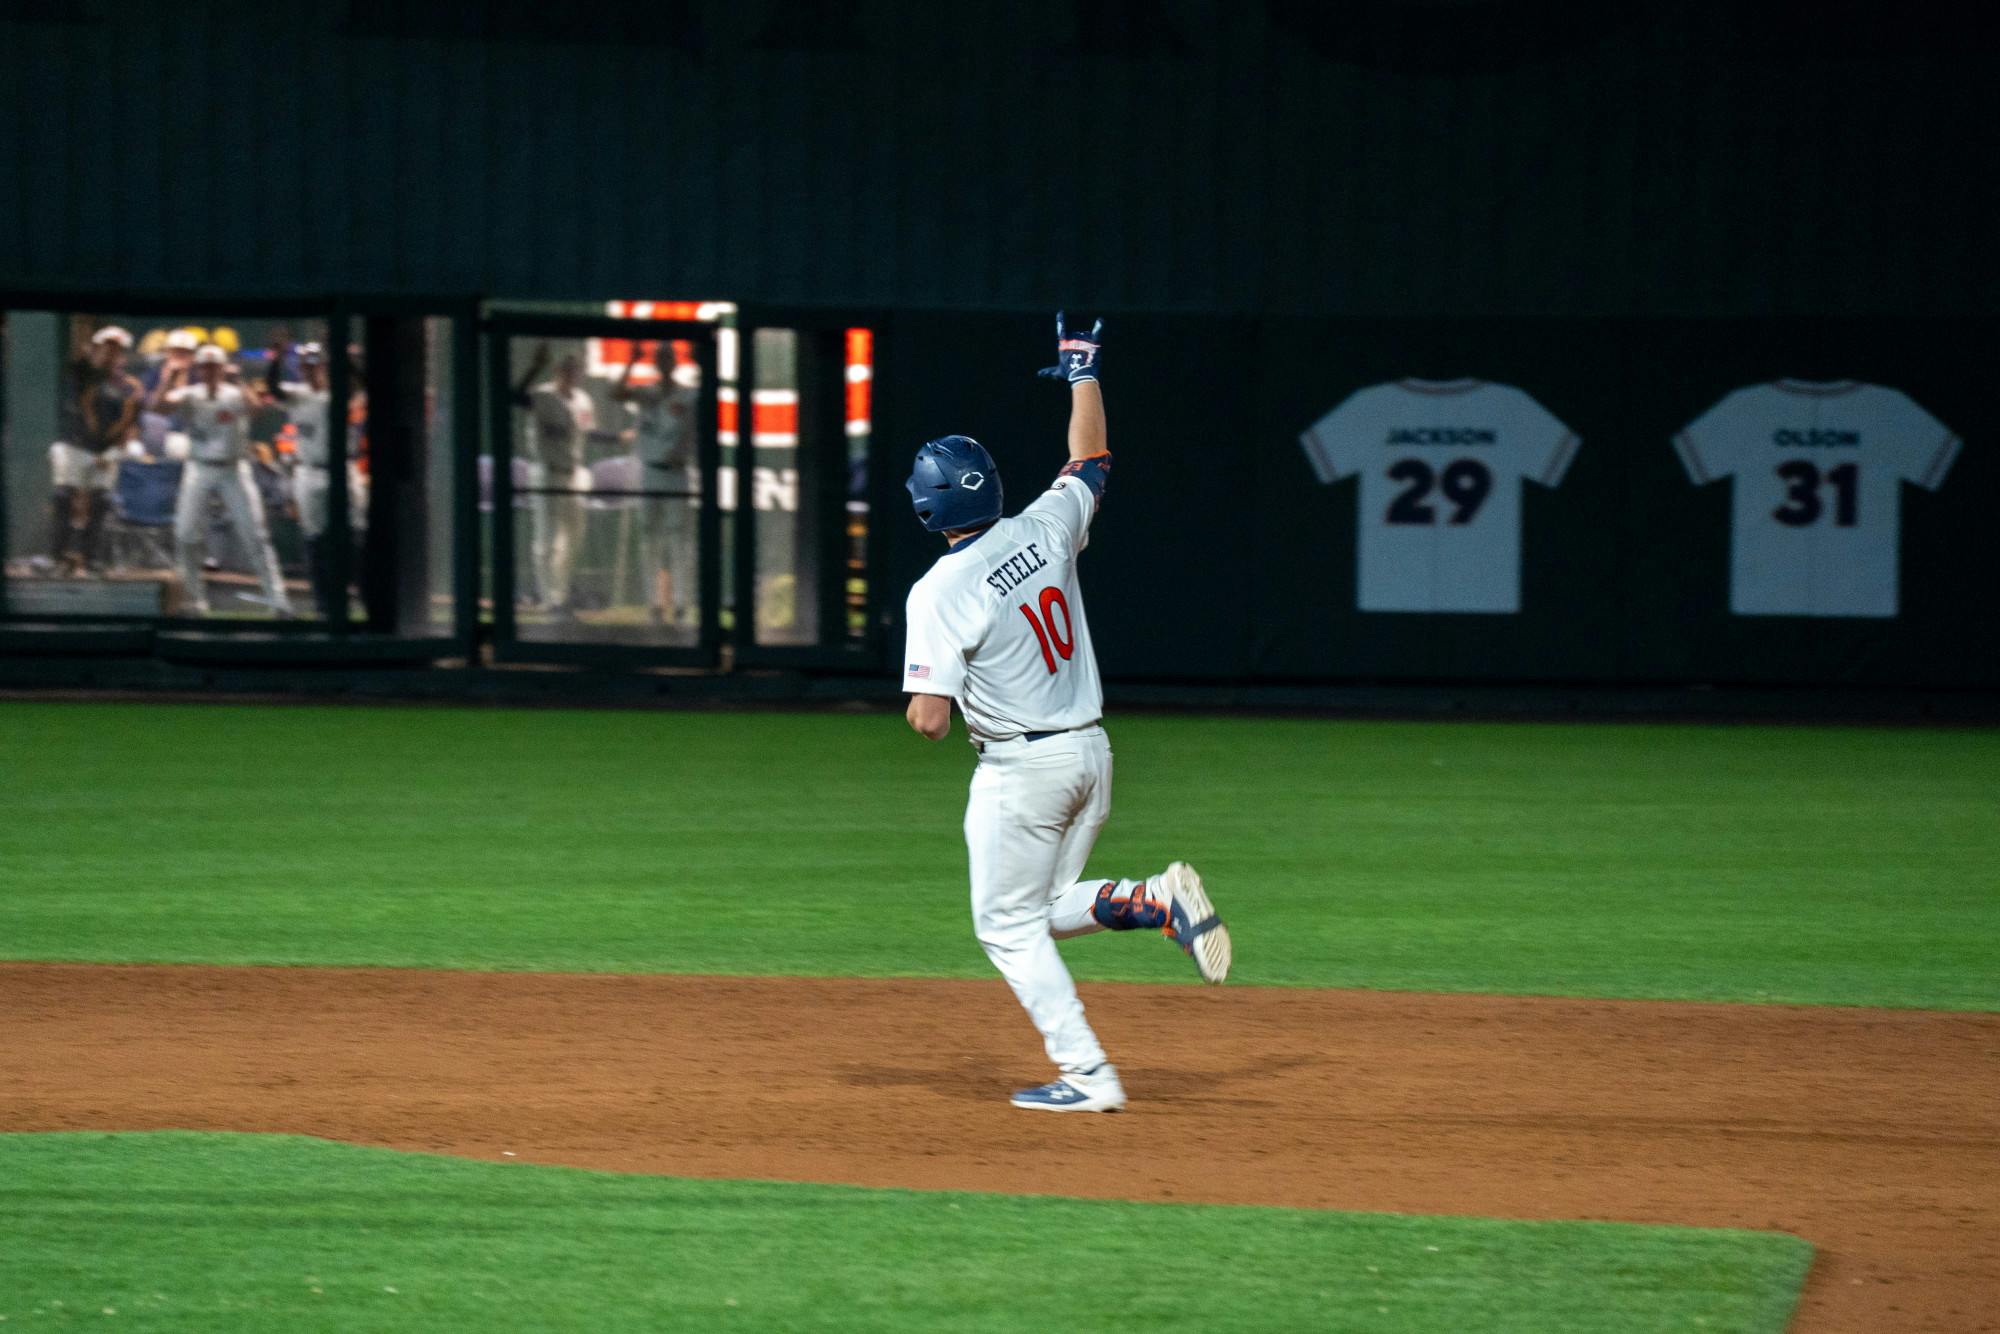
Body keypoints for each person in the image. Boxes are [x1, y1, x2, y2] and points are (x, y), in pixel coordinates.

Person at [899, 314, 1232, 1114]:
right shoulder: (1046, 527)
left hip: (1023, 773)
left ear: (925, 507)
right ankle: (1154, 899)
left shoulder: (939, 591)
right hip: (1091, 755)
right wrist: (1083, 371)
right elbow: (1091, 460)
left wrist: (924, 690)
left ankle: (1089, 1075)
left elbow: (930, 720)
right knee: (1042, 908)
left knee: (1006, 930)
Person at [152, 344, 294, 617]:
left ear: (222, 368)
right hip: (199, 467)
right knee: (185, 533)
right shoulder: (190, 394)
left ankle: (278, 601)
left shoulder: (235, 394)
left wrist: (238, 380)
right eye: (205, 367)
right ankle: (194, 601)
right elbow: (158, 406)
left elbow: (256, 410)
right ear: (199, 370)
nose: (210, 372)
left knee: (255, 535)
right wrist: (169, 378)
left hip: (233, 468)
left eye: (214, 366)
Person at [613, 341, 699, 628]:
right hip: (650, 471)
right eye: (659, 357)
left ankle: (680, 604)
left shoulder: (688, 394)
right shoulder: (646, 393)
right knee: (650, 539)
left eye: (668, 357)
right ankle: (654, 604)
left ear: (675, 362)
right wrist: (630, 362)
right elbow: (614, 393)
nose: (663, 362)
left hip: (676, 473)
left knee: (678, 539)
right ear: (654, 362)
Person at [47, 325, 145, 575]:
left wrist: (112, 453)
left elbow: (132, 424)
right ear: (97, 347)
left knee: (101, 501)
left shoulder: (129, 387)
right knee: (64, 496)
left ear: (122, 354)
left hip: (105, 451)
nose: (110, 353)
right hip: (73, 445)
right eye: (106, 346)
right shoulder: (80, 373)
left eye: (116, 349)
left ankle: (91, 559)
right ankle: (57, 557)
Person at [512, 342, 595, 615]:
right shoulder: (543, 395)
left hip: (573, 473)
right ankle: (549, 599)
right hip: (547, 472)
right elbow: (514, 397)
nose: (573, 373)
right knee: (546, 539)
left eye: (576, 369)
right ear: (558, 369)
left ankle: (560, 594)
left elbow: (589, 433)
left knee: (574, 538)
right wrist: (534, 366)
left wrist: (619, 438)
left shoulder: (583, 399)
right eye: (568, 368)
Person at [265, 339, 344, 616]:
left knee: (350, 534)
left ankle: (345, 595)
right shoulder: (295, 392)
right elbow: (273, 388)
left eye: (313, 364)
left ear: (323, 365)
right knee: (314, 537)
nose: (307, 370)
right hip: (309, 470)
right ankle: (324, 602)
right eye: (303, 365)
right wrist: (277, 359)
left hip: (341, 469)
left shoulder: (337, 393)